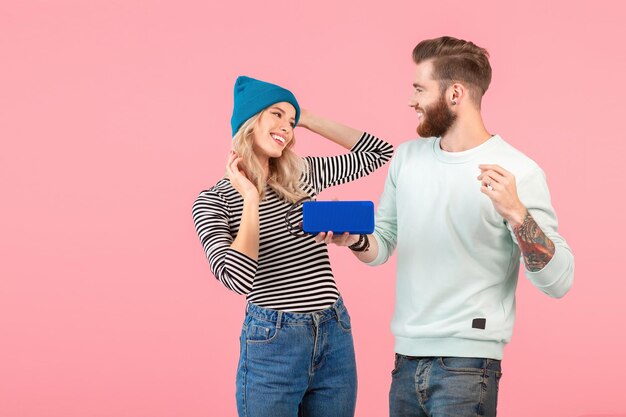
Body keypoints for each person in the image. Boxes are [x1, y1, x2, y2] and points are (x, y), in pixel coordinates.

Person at [319, 37, 575, 416]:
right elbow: (384, 244)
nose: (412, 100)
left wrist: (518, 213)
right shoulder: (406, 158)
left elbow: (559, 282)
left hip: (468, 366)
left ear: (455, 93)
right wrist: (356, 240)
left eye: (420, 89)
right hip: (405, 361)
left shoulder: (518, 171)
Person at [192, 75, 393, 417]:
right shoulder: (213, 201)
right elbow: (237, 279)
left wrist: (306, 115)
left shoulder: (303, 173)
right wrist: (251, 199)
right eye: (276, 114)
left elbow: (379, 152)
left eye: (291, 120)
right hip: (273, 341)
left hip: (334, 331)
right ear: (249, 121)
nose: (286, 126)